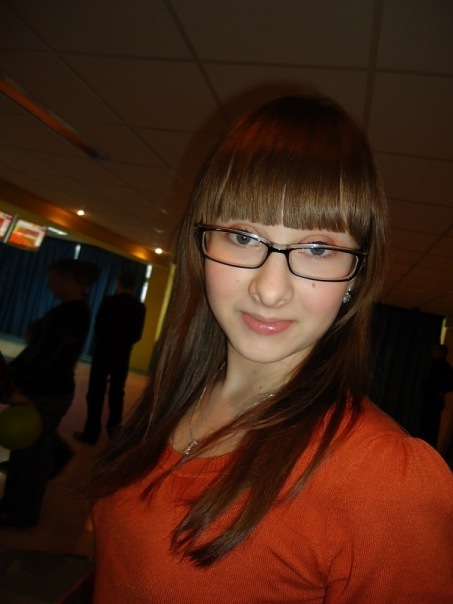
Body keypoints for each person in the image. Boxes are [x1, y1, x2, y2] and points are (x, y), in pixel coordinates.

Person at [90, 96, 453, 602]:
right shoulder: (179, 393)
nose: (270, 289)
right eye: (243, 237)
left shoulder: (386, 481)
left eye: (318, 249)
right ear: (202, 245)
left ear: (356, 274)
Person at [0, 258, 98, 528]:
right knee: (25, 451)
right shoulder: (70, 311)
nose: (49, 284)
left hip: (46, 392)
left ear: (69, 279)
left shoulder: (72, 314)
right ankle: (11, 503)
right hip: (44, 389)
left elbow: (48, 357)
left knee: (31, 457)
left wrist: (18, 382)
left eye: (53, 278)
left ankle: (23, 514)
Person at [74, 270, 146, 444]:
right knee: (117, 393)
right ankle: (114, 432)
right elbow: (137, 334)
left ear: (119, 282)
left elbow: (98, 326)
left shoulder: (108, 301)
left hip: (103, 352)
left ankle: (91, 433)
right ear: (134, 286)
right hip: (122, 354)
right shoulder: (139, 307)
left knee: (95, 392)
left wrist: (104, 342)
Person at [418, 343, 453, 448]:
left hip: (433, 402)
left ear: (441, 353)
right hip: (431, 400)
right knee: (427, 427)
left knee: (429, 428)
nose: (432, 352)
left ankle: (425, 449)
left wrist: (440, 391)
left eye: (435, 350)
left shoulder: (443, 366)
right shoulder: (435, 365)